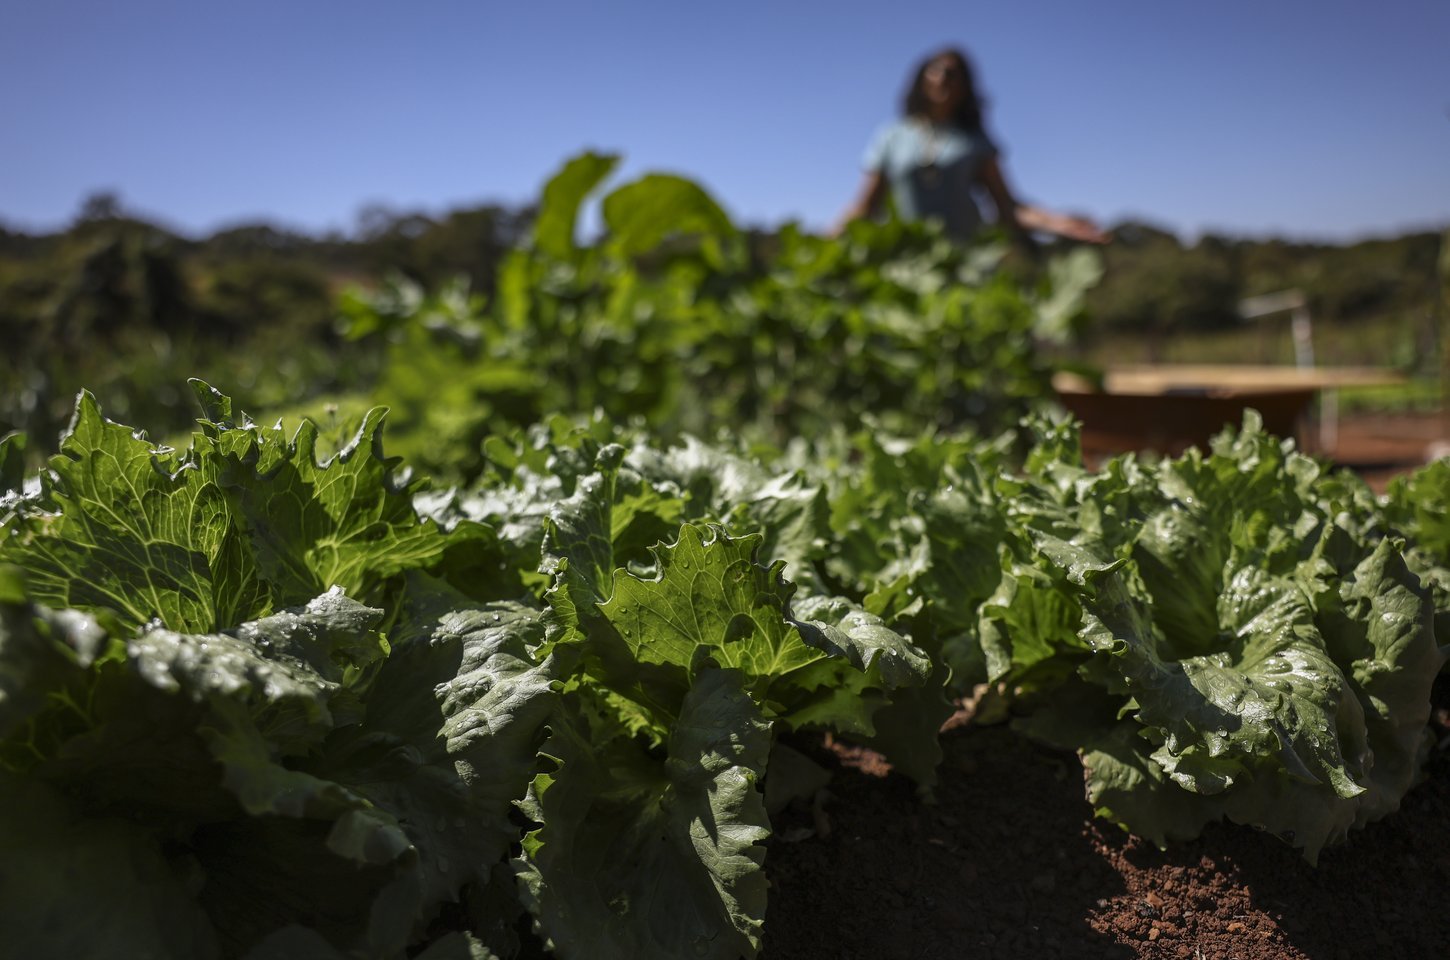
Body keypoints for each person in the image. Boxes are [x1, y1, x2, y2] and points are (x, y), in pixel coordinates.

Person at [834, 47, 1107, 245]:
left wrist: (1057, 223)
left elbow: (1007, 206)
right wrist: (822, 243)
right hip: (907, 262)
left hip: (964, 259)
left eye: (954, 74)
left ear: (965, 86)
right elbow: (865, 207)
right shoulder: (893, 135)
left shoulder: (975, 139)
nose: (944, 79)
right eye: (937, 71)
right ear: (922, 79)